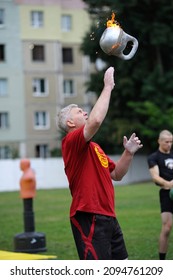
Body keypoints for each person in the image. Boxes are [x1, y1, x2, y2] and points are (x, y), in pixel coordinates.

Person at [56, 66, 143, 260]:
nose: (85, 112)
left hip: (108, 215)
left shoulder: (94, 147)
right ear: (70, 123)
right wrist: (107, 86)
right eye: (79, 111)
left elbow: (116, 175)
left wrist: (128, 153)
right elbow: (95, 121)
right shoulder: (71, 142)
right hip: (88, 214)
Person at [147, 130, 173, 260]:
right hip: (167, 194)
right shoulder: (154, 157)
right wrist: (169, 184)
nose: (169, 144)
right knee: (167, 227)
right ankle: (162, 261)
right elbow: (155, 177)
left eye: (171, 142)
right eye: (166, 142)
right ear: (159, 141)